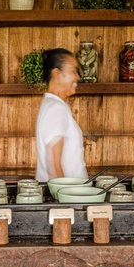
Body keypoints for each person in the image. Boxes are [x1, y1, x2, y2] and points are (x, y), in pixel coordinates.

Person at [35, 48, 87, 182]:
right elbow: (52, 162)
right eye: (73, 71)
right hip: (65, 198)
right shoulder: (56, 108)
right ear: (57, 74)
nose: (78, 77)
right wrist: (64, 199)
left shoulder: (52, 104)